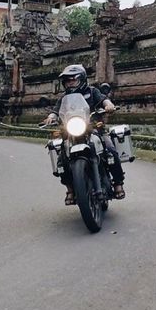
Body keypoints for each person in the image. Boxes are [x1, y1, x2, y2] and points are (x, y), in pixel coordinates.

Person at [42, 65, 126, 205]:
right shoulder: (64, 98)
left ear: (81, 79)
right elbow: (56, 111)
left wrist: (108, 105)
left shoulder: (92, 92)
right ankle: (70, 189)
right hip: (71, 133)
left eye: (72, 80)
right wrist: (50, 117)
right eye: (67, 81)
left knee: (111, 149)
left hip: (94, 129)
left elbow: (104, 99)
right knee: (61, 160)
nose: (69, 83)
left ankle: (118, 182)